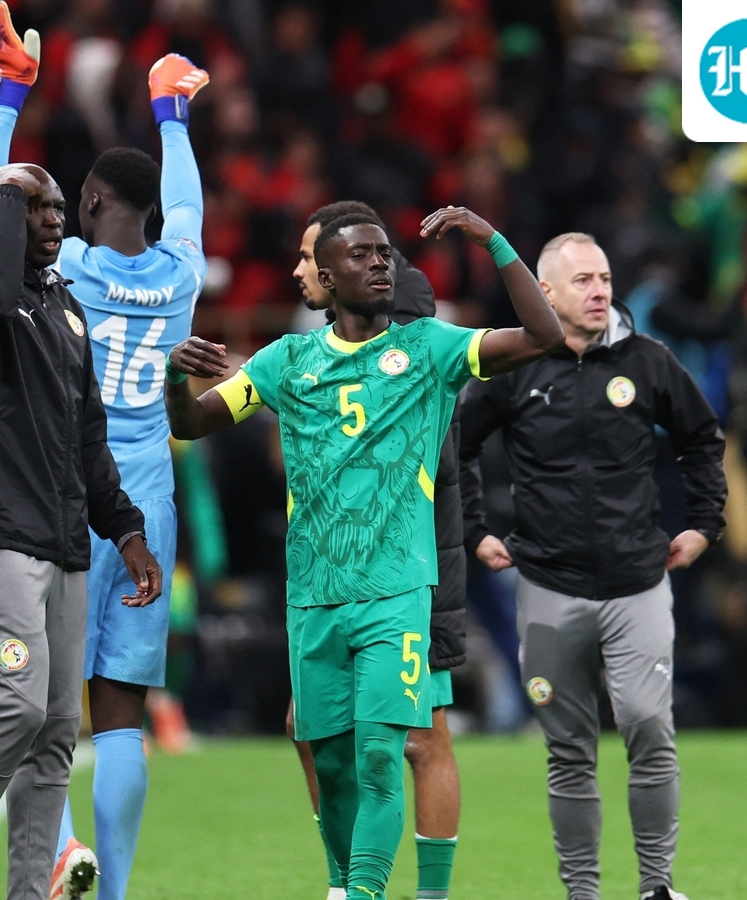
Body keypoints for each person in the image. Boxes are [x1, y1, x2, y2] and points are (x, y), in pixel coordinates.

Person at [165, 207, 564, 900]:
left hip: (394, 594)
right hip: (313, 597)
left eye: (384, 253)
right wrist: (177, 379)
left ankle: (367, 895)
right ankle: (345, 884)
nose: (381, 262)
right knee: (331, 761)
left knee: (383, 755)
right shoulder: (285, 362)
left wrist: (494, 242)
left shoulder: (431, 349)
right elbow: (195, 424)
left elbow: (543, 335)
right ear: (326, 276)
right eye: (362, 255)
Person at [0, 5, 208, 894]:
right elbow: (184, 205)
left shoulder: (66, 274)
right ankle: (116, 887)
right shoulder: (183, 276)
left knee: (41, 703)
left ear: (90, 203)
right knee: (122, 716)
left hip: (61, 493)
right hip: (146, 496)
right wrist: (171, 113)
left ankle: (61, 846)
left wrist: (11, 91)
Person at [0, 162, 162, 900]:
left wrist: (125, 530)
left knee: (56, 731)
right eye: (35, 208)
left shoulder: (64, 305)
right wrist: (0, 204)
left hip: (61, 542)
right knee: (18, 704)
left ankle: (28, 893)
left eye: (58, 207)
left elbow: (87, 433)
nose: (56, 219)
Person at [459, 232, 725, 900]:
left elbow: (701, 437)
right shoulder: (516, 368)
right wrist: (473, 530)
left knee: (646, 723)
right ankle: (583, 893)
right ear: (544, 293)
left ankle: (658, 887)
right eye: (582, 281)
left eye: (604, 277)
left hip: (638, 580)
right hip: (548, 587)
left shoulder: (649, 360)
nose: (601, 290)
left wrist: (704, 523)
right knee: (569, 750)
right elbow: (454, 444)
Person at [282, 201, 467, 900]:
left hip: (412, 548)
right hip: (348, 560)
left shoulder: (401, 310)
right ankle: (347, 880)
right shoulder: (320, 338)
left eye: (308, 257)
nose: (301, 271)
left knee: (421, 734)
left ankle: (424, 894)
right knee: (317, 727)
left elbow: (429, 424)